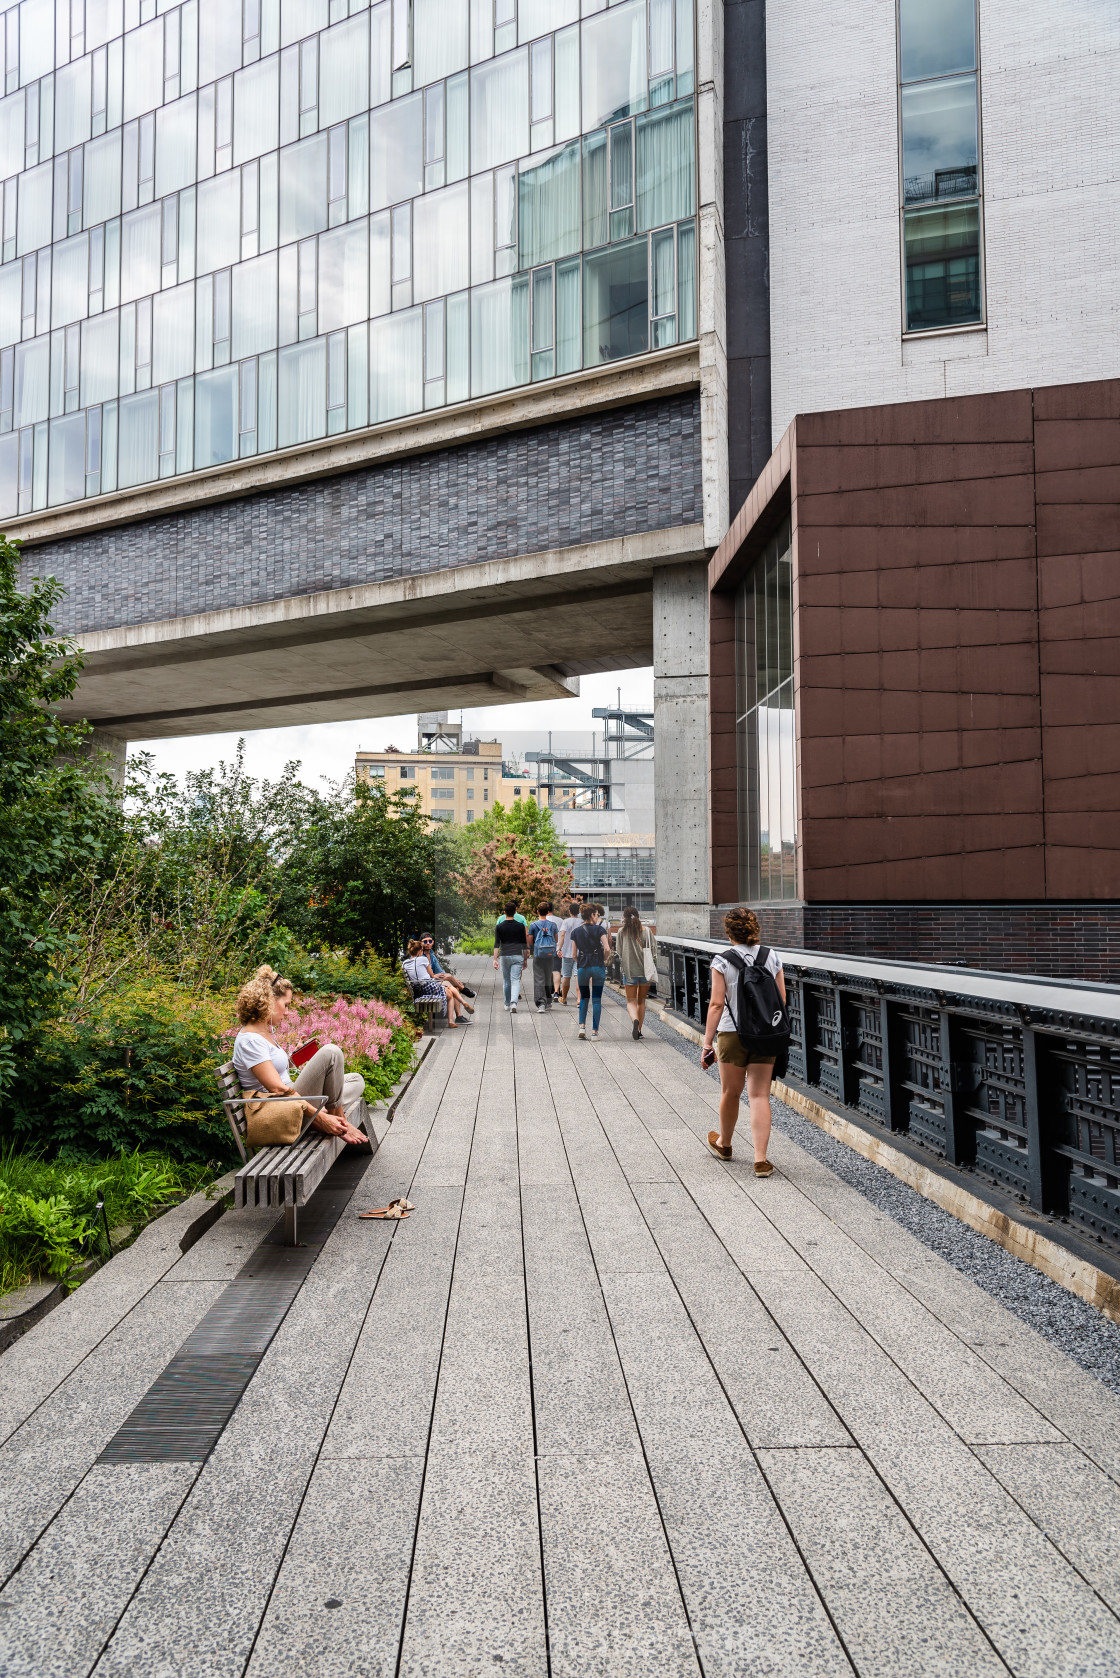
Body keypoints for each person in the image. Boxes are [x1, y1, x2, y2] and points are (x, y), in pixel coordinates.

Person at [232, 966, 366, 1145]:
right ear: (269, 1000)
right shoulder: (250, 1040)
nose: (287, 1013)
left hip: (294, 1099)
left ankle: (329, 1111)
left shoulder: (264, 1032)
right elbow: (278, 1089)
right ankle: (339, 1119)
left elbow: (277, 1072)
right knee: (331, 1052)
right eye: (285, 1005)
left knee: (356, 1080)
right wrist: (320, 1118)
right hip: (283, 1109)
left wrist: (295, 1056)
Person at [700, 907, 785, 1177]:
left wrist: (707, 1043)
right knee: (759, 1095)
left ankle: (725, 1144)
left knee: (731, 1093)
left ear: (728, 932)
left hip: (731, 1033)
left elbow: (715, 1004)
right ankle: (760, 1160)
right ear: (754, 928)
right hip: (764, 1032)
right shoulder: (771, 956)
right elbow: (780, 1000)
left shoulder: (722, 961)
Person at [613, 905, 657, 1041]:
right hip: (645, 971)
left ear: (625, 918)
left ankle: (634, 1020)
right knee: (641, 1001)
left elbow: (619, 951)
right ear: (638, 916)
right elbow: (654, 950)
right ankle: (639, 1030)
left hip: (629, 971)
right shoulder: (647, 931)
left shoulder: (621, 931)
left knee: (631, 1001)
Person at [571, 903, 611, 1040]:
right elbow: (607, 949)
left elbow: (573, 955)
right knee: (596, 1000)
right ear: (592, 915)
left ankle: (582, 1026)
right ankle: (594, 1033)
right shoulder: (600, 930)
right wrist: (603, 960)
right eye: (596, 914)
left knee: (584, 997)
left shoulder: (576, 932)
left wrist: (581, 962)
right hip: (597, 966)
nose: (597, 917)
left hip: (583, 967)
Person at [403, 938, 463, 1027]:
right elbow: (432, 976)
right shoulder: (423, 959)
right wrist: (439, 977)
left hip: (417, 992)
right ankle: (451, 1020)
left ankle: (461, 1005)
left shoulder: (404, 963)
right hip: (428, 990)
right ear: (420, 951)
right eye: (422, 950)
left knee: (450, 989)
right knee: (450, 993)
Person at [419, 935, 475, 1014]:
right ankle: (464, 990)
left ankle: (459, 1017)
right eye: (425, 941)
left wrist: (453, 980)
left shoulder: (431, 955)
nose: (428, 943)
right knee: (450, 978)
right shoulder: (420, 956)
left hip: (435, 979)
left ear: (433, 942)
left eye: (430, 941)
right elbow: (422, 974)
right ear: (420, 943)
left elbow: (439, 970)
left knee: (454, 985)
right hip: (428, 983)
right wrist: (447, 978)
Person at [493, 901, 528, 1011]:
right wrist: (526, 958)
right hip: (517, 955)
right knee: (515, 980)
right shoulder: (520, 926)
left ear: (504, 912)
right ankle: (514, 1003)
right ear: (515, 911)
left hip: (504, 956)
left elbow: (496, 943)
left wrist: (495, 959)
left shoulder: (499, 926)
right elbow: (524, 943)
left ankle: (507, 1003)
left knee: (506, 981)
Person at [527, 902, 560, 1011]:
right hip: (550, 955)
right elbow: (556, 940)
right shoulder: (553, 925)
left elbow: (530, 941)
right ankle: (548, 1000)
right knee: (547, 977)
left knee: (539, 978)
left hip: (538, 954)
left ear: (537, 911)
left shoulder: (533, 925)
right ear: (548, 911)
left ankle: (541, 1003)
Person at [558, 896, 584, 1005]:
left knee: (566, 976)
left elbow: (562, 934)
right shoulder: (582, 922)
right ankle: (579, 999)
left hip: (567, 953)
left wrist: (559, 948)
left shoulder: (566, 921)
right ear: (578, 912)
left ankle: (564, 998)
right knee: (578, 977)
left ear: (569, 911)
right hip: (580, 954)